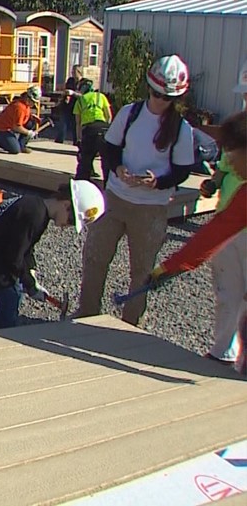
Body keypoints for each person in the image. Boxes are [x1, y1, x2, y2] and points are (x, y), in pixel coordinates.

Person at [77, 54, 196, 326]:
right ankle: (86, 315)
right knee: (95, 257)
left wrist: (157, 181)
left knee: (141, 270)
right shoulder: (130, 113)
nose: (159, 101)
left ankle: (129, 325)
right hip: (117, 198)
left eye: (165, 97)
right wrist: (117, 169)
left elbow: (182, 171)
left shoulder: (182, 130)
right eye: (155, 94)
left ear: (175, 99)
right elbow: (110, 148)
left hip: (151, 208)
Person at [0, 180, 105, 329]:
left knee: (14, 294)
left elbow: (26, 247)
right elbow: (15, 257)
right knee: (10, 299)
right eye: (71, 221)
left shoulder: (36, 207)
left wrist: (30, 272)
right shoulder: (34, 215)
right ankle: (0, 335)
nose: (67, 226)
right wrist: (29, 284)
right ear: (65, 205)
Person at [195, 105, 247, 364]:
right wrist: (213, 183)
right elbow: (225, 166)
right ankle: (224, 351)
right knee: (228, 293)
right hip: (227, 223)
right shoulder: (239, 131)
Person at [72, 77, 113, 180]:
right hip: (104, 128)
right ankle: (108, 186)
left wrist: (79, 139)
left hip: (89, 129)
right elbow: (109, 116)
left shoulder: (80, 100)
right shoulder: (101, 96)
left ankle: (82, 183)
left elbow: (78, 123)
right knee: (107, 161)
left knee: (85, 161)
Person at [0, 86, 43, 154]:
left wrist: (32, 117)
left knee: (30, 122)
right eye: (33, 102)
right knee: (15, 150)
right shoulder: (20, 107)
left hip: (11, 127)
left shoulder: (25, 104)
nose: (34, 104)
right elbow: (16, 127)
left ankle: (22, 146)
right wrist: (28, 133)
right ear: (28, 98)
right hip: (2, 129)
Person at [55, 65, 83, 144]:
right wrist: (66, 96)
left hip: (77, 106)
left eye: (74, 72)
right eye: (72, 71)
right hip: (67, 105)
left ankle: (76, 141)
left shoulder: (85, 83)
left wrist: (73, 93)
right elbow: (67, 90)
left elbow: (83, 95)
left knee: (75, 125)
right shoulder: (70, 80)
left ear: (79, 72)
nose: (72, 73)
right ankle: (59, 140)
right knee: (63, 123)